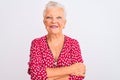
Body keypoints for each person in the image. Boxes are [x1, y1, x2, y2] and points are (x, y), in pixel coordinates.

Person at [28, 1, 86, 80]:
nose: (54, 21)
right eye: (49, 17)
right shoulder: (36, 43)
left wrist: (48, 76)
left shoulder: (73, 43)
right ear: (44, 22)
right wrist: (71, 69)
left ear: (64, 22)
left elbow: (79, 75)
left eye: (59, 17)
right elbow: (35, 75)